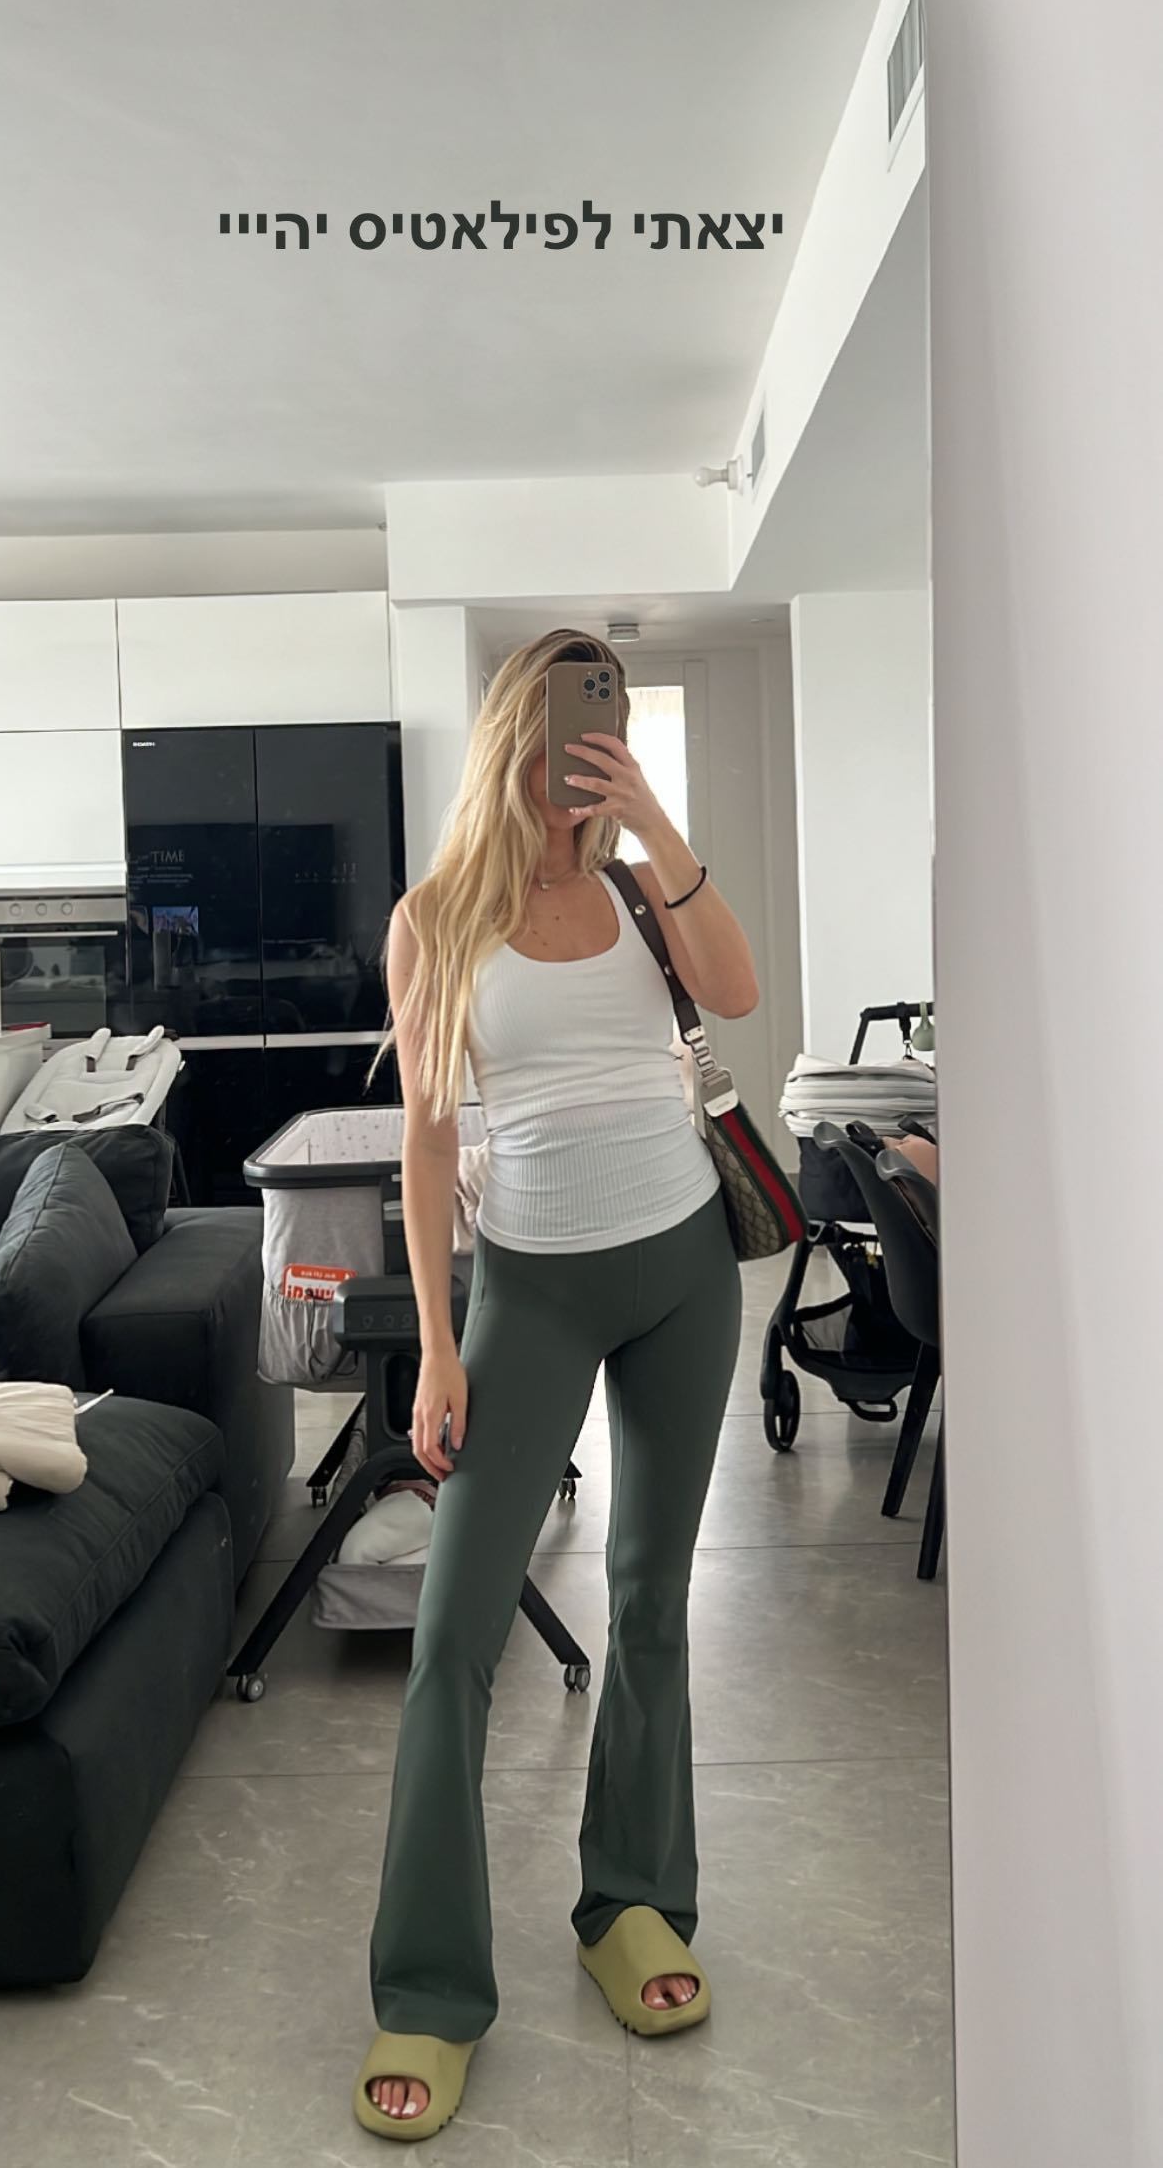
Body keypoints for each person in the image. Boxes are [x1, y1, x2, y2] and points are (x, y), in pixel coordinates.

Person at [352, 629, 760, 2141]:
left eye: (603, 735)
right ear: (512, 740)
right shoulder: (434, 919)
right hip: (527, 1289)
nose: (574, 769)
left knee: (652, 1595)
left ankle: (634, 1901)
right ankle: (428, 1983)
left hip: (683, 1273)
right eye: (559, 739)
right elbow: (429, 1141)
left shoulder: (645, 888)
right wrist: (441, 1342)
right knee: (453, 1634)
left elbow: (740, 992)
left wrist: (653, 821)